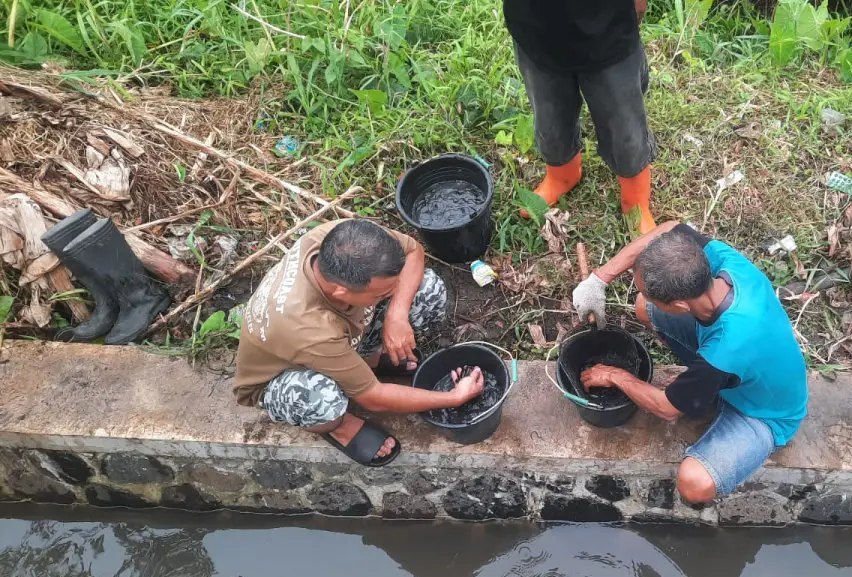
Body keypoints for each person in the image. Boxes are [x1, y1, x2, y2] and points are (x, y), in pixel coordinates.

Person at [570, 222, 809, 503]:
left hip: (765, 412)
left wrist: (614, 375)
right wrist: (599, 279)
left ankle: (717, 403)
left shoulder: (725, 352)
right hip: (744, 362)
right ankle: (703, 390)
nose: (644, 293)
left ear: (680, 306)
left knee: (694, 483)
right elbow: (670, 227)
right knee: (644, 307)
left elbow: (666, 408)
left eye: (650, 292)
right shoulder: (726, 263)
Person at [233, 219, 484, 466]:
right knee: (322, 398)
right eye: (383, 293)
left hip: (334, 340)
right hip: (284, 376)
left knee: (427, 289)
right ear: (341, 292)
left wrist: (397, 313)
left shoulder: (342, 240)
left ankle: (367, 361)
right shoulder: (308, 328)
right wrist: (453, 397)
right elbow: (373, 398)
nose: (392, 291)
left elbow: (412, 250)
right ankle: (338, 427)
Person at [502, 0, 657, 233]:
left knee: (624, 127)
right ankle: (562, 176)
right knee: (550, 116)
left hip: (609, 31)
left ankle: (635, 202)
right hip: (534, 25)